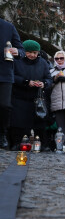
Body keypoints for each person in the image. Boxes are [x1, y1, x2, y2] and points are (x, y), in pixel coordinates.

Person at [9, 40, 51, 148]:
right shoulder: (17, 61)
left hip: (37, 98)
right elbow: (12, 76)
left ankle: (41, 145)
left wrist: (44, 83)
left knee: (39, 124)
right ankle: (18, 143)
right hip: (19, 97)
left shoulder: (43, 63)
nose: (32, 55)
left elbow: (48, 78)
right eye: (29, 52)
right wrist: (26, 82)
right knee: (19, 123)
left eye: (35, 52)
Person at [1, 19, 25, 148]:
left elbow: (21, 49)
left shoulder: (8, 27)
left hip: (4, 73)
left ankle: (2, 134)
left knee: (4, 105)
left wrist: (18, 52)